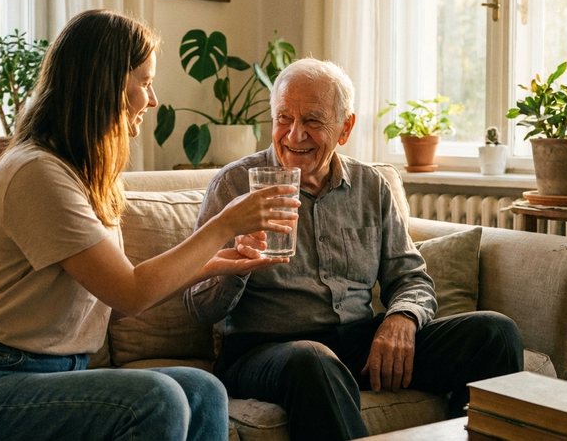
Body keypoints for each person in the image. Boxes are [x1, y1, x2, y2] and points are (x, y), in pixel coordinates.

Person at [0, 9, 300, 441]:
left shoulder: (86, 174)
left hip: (59, 375)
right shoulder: (37, 172)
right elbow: (131, 292)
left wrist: (217, 263)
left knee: (203, 390)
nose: (153, 99)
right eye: (145, 81)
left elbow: (114, 300)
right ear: (105, 83)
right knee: (158, 397)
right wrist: (223, 224)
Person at [185, 57, 524, 440]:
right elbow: (199, 308)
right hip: (267, 350)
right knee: (312, 358)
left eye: (312, 120)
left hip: (357, 342)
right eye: (284, 118)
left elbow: (411, 278)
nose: (295, 134)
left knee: (494, 333)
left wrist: (402, 319)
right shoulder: (235, 185)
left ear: (345, 127)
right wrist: (238, 267)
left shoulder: (371, 186)